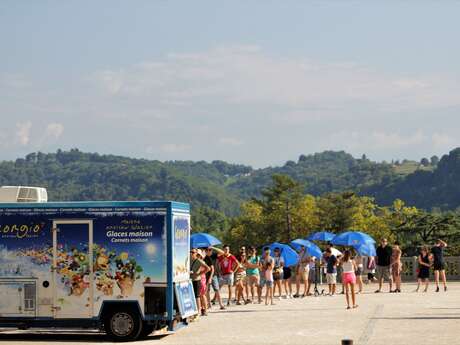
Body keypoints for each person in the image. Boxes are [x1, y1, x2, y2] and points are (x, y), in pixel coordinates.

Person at [190, 249, 210, 316]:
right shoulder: (189, 260)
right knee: (194, 296)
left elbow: (208, 268)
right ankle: (197, 310)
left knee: (198, 296)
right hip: (191, 280)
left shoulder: (199, 260)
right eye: (190, 252)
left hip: (197, 280)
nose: (191, 253)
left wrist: (199, 274)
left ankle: (199, 311)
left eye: (193, 252)